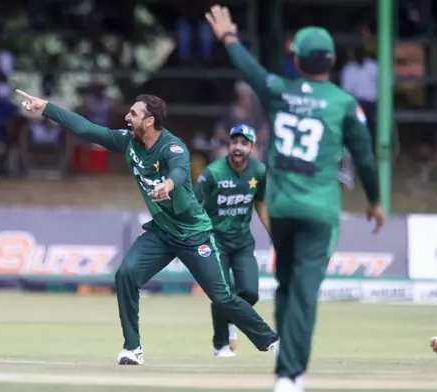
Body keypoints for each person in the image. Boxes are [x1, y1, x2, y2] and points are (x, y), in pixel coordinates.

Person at [16, 89, 280, 365]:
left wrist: (168, 185)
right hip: (162, 231)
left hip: (194, 234)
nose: (127, 117)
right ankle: (133, 348)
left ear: (150, 121)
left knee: (222, 298)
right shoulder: (128, 142)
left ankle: (272, 341)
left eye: (134, 114)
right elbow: (88, 129)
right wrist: (46, 107)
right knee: (126, 275)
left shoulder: (173, 147)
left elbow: (179, 170)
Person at [205, 6, 385, 392]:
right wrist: (374, 200)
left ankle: (285, 370)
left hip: (283, 209)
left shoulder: (279, 89)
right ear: (333, 61)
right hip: (320, 211)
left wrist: (229, 36)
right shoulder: (342, 103)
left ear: (296, 59)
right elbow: (365, 158)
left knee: (287, 289)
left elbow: (250, 70)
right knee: (304, 292)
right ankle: (289, 376)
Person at [194, 124, 270, 358]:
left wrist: (276, 236)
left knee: (250, 291)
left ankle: (231, 319)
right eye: (234, 142)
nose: (238, 147)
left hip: (242, 241)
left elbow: (261, 203)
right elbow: (194, 206)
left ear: (252, 148)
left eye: (244, 143)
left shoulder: (259, 171)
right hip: (215, 240)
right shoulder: (213, 173)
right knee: (222, 293)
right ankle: (220, 344)